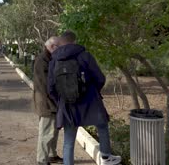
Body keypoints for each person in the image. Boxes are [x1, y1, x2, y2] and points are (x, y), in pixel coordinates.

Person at [48, 31, 121, 165]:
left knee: (69, 141)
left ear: (61, 42)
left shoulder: (54, 60)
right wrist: (92, 92)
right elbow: (100, 78)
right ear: (74, 41)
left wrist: (61, 100)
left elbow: (51, 88)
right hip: (90, 101)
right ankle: (106, 157)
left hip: (68, 105)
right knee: (102, 125)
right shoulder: (85, 55)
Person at [33, 36, 63, 165]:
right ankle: (42, 159)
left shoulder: (49, 58)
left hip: (51, 102)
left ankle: (51, 155)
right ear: (52, 46)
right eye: (59, 47)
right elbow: (47, 84)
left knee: (53, 131)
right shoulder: (42, 60)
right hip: (47, 103)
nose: (61, 49)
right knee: (46, 133)